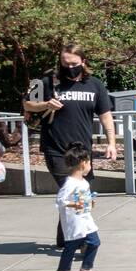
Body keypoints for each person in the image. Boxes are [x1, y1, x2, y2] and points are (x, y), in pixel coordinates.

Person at [22, 44, 118, 248]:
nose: (69, 67)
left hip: (82, 150)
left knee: (78, 195)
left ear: (83, 62)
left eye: (74, 64)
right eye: (65, 63)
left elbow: (105, 115)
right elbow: (27, 105)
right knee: (76, 192)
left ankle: (64, 238)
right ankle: (80, 240)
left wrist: (111, 143)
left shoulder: (95, 85)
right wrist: (46, 104)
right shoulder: (47, 81)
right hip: (55, 148)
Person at [54, 144, 100, 271]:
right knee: (71, 247)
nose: (90, 166)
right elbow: (60, 201)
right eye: (89, 163)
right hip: (74, 222)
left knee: (95, 242)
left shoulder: (84, 182)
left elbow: (83, 197)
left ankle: (86, 268)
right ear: (83, 163)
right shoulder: (70, 183)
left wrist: (90, 202)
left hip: (86, 218)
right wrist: (74, 204)